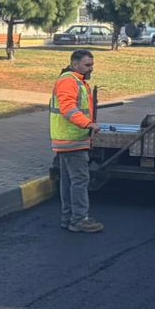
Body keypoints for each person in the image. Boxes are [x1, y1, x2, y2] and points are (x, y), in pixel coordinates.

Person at [50, 50, 103, 234]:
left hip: (68, 139)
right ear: (74, 64)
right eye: (87, 65)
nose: (91, 68)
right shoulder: (69, 81)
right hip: (72, 139)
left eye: (92, 65)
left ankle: (69, 218)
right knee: (80, 181)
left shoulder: (75, 81)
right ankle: (79, 219)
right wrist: (89, 124)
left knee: (68, 182)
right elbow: (68, 109)